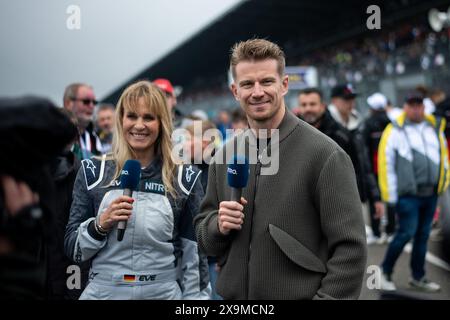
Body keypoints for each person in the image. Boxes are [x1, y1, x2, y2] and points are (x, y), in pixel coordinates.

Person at [194, 39, 367, 300]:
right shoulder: (225, 155)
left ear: (284, 85)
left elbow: (350, 251)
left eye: (266, 81)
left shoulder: (326, 155)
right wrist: (218, 224)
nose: (257, 92)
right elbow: (204, 237)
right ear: (235, 91)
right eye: (247, 84)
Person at [64, 81, 210, 300]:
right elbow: (73, 249)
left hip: (163, 292)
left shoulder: (184, 177)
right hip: (103, 291)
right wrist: (99, 225)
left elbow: (195, 259)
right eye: (132, 116)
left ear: (162, 123)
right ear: (120, 120)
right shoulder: (93, 171)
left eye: (149, 117)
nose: (139, 125)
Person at [378, 90, 449, 292]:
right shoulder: (395, 130)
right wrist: (389, 197)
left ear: (424, 107)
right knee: (405, 233)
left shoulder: (434, 127)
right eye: (412, 105)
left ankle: (418, 277)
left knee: (423, 236)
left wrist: (443, 183)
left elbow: (443, 156)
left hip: (431, 193)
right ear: (406, 107)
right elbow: (386, 165)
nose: (416, 109)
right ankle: (385, 272)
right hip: (408, 195)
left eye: (419, 105)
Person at [361, 93, 396, 244]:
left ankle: (376, 233)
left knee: (375, 200)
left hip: (373, 169)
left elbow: (363, 148)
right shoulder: (391, 122)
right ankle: (391, 231)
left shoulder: (368, 124)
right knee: (390, 199)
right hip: (389, 168)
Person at [63, 83, 103, 160]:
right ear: (68, 103)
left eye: (94, 102)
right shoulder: (55, 135)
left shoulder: (97, 136)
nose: (91, 106)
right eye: (86, 101)